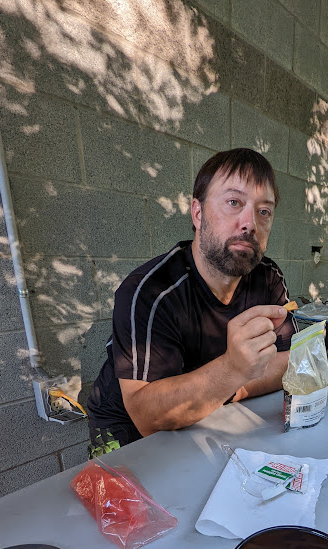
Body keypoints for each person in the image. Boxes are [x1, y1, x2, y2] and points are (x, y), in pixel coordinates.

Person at [86, 148, 297, 457]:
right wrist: (232, 369)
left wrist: (222, 386)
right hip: (126, 431)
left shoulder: (267, 277)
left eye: (264, 211)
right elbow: (148, 416)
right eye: (233, 203)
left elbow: (287, 362)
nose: (249, 223)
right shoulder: (149, 292)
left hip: (210, 418)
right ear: (198, 214)